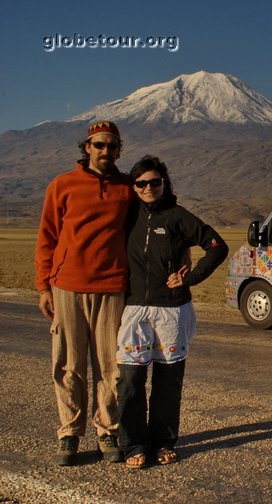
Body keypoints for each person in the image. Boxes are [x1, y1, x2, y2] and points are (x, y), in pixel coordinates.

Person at [117, 155, 228, 469]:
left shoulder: (177, 216)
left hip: (172, 311)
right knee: (130, 379)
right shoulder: (127, 215)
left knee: (168, 381)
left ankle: (163, 442)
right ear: (134, 186)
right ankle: (133, 445)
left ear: (164, 184)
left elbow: (217, 245)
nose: (149, 187)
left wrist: (189, 278)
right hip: (134, 308)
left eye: (155, 182)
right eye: (142, 183)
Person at [34, 121, 131, 466]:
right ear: (86, 148)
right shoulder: (62, 185)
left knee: (111, 366)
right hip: (68, 286)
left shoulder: (127, 188)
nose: (106, 151)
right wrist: (44, 285)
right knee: (68, 363)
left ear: (119, 150)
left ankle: (107, 428)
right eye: (99, 145)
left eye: (112, 146)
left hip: (112, 286)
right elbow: (47, 235)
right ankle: (69, 432)